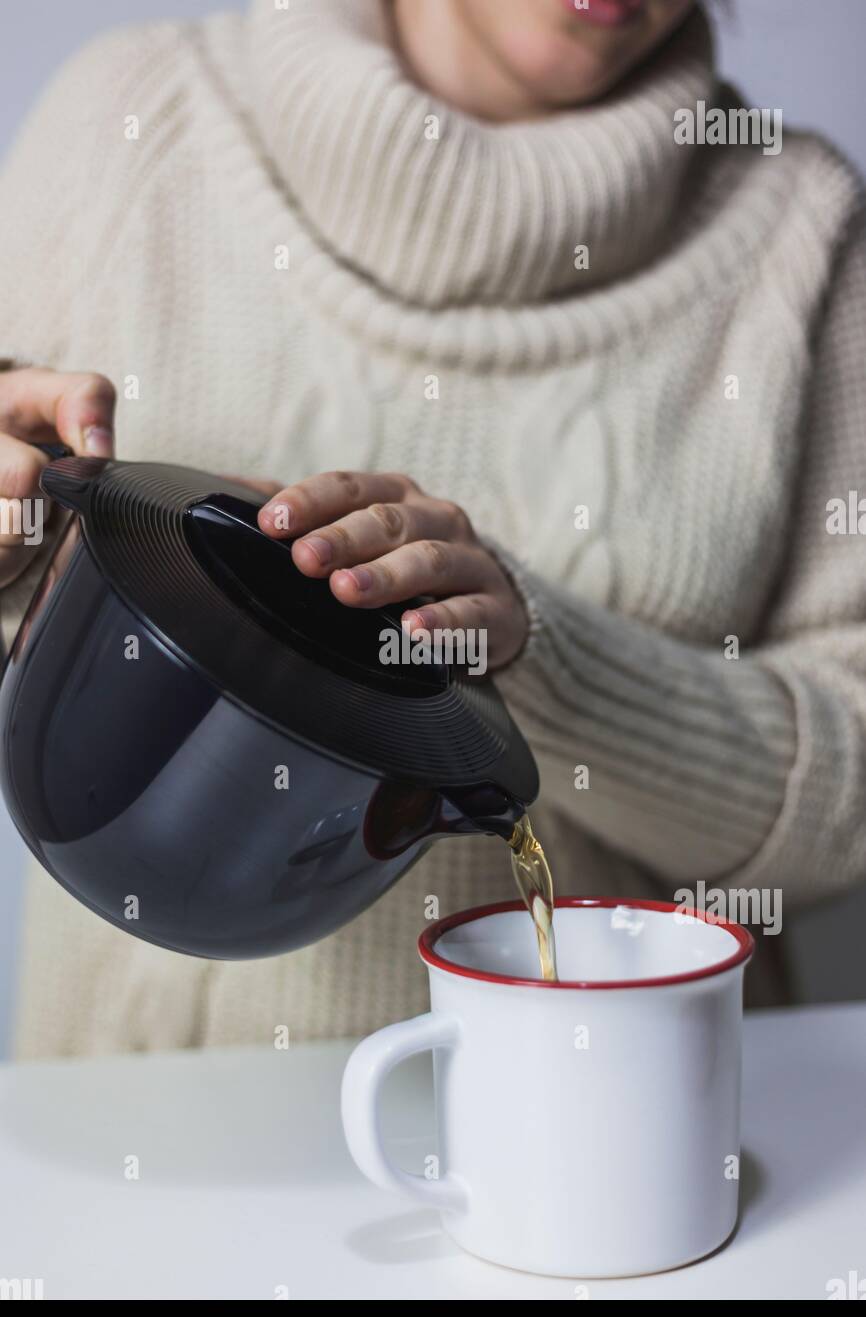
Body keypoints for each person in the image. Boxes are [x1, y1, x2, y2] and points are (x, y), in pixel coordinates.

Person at [0, 0, 863, 1057]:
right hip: (140, 1140)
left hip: (615, 1148)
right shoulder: (124, 120)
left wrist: (535, 660)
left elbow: (848, 807)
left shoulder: (805, 227)